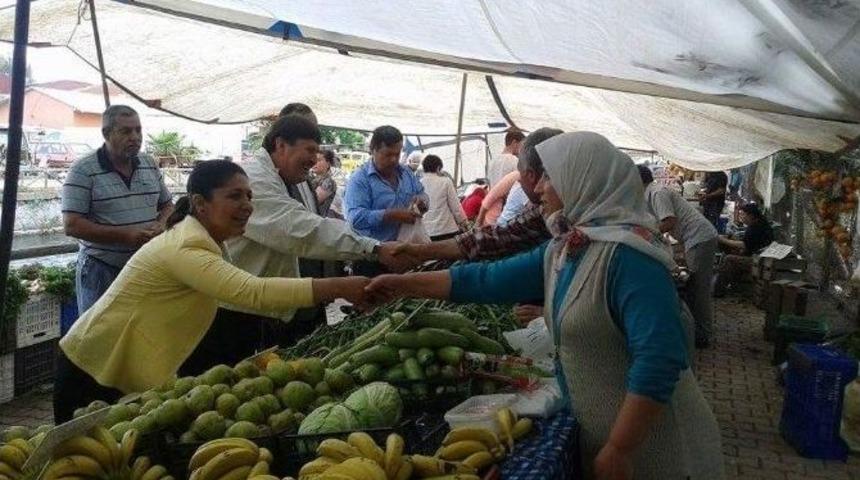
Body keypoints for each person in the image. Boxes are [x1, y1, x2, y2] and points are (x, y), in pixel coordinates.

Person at [371, 132, 723, 479]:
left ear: (582, 182)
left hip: (657, 452)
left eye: (549, 178)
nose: (538, 188)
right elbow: (483, 279)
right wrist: (403, 285)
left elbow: (658, 360)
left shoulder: (631, 259)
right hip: (609, 444)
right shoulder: (565, 249)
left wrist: (620, 447)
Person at [55, 161, 370, 422]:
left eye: (249, 196)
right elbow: (252, 291)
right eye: (235, 196)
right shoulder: (186, 245)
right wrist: (341, 287)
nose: (247, 206)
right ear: (200, 204)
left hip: (122, 367)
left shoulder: (208, 242)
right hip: (92, 365)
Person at [181, 115, 411, 376]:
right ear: (280, 145)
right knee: (226, 384)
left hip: (263, 305)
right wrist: (373, 249)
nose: (315, 159)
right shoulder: (253, 179)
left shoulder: (287, 179)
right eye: (310, 150)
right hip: (234, 311)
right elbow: (299, 229)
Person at [62, 105, 174, 315]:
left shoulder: (149, 164)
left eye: (138, 130)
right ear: (106, 133)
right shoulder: (83, 170)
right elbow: (72, 225)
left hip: (144, 266)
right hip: (101, 270)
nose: (135, 137)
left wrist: (161, 224)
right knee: (98, 336)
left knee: (139, 332)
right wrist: (125, 236)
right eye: (126, 131)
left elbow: (168, 205)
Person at [638, 165, 718, 348]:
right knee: (695, 286)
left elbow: (669, 221)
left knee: (698, 288)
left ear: (637, 180)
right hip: (695, 238)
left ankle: (702, 334)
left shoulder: (657, 192)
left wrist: (648, 235)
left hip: (699, 237)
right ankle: (699, 331)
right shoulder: (652, 193)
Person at [344, 125, 427, 276]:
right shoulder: (360, 180)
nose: (394, 159)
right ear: (373, 150)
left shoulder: (406, 174)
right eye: (388, 154)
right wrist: (390, 215)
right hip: (373, 259)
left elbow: (422, 194)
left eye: (397, 153)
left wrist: (421, 202)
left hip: (406, 255)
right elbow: (355, 218)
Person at [714, 203, 774, 296]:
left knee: (729, 259)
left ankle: (717, 291)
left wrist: (723, 240)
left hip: (758, 261)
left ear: (751, 215)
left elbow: (744, 245)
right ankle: (732, 285)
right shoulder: (756, 224)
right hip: (752, 254)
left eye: (743, 214)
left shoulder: (757, 227)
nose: (741, 217)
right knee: (726, 248)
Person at [420, 154, 467, 241]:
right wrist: (463, 222)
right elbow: (455, 206)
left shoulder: (418, 184)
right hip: (447, 230)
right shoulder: (445, 182)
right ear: (438, 168)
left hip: (427, 232)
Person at [311, 149, 338, 217]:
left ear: (328, 164)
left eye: (319, 160)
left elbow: (312, 202)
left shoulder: (328, 182)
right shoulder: (312, 179)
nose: (314, 162)